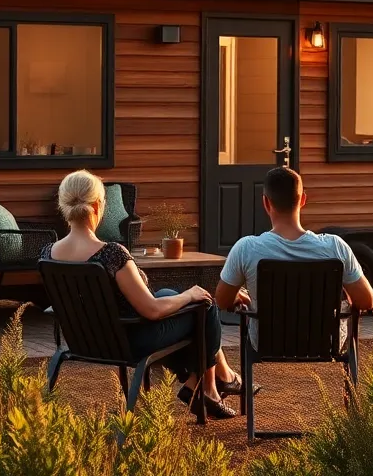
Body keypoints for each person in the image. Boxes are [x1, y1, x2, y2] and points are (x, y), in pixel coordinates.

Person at [41, 170, 246, 419]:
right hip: (130, 341)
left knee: (168, 293)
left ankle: (206, 382)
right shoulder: (111, 254)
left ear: (63, 204)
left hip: (83, 341)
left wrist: (179, 297)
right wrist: (189, 295)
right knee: (205, 305)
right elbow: (152, 310)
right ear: (96, 206)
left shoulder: (48, 254)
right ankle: (205, 385)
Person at [215, 166, 373, 348]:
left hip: (268, 343)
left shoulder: (246, 248)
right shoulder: (335, 247)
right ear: (303, 200)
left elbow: (222, 301)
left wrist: (238, 295)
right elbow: (367, 301)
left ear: (266, 203)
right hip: (325, 343)